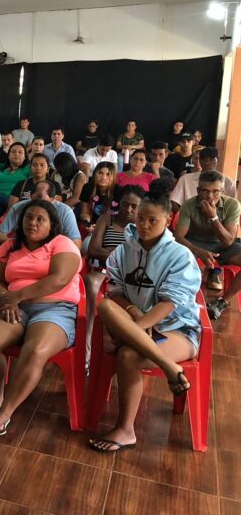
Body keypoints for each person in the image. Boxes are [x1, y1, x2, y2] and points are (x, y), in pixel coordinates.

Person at [89, 186, 200, 452]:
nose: (145, 225)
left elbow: (170, 302)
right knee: (104, 306)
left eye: (153, 221)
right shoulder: (123, 251)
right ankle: (170, 368)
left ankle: (126, 430)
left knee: (127, 355)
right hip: (138, 324)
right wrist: (136, 315)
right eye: (141, 218)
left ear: (167, 220)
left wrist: (138, 328)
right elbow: (115, 292)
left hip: (177, 330)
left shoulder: (180, 255)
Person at [0, 200, 82, 444]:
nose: (32, 223)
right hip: (17, 308)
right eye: (28, 218)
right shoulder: (9, 246)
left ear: (52, 225)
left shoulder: (62, 243)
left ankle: (3, 415)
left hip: (55, 308)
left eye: (40, 219)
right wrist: (6, 297)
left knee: (34, 349)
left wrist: (16, 295)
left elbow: (58, 279)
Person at [84, 185, 145, 366]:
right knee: (91, 282)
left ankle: (129, 341)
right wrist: (120, 256)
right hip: (106, 271)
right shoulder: (106, 219)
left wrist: (111, 252)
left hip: (132, 274)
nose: (128, 209)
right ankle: (87, 345)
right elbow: (94, 249)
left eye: (134, 206)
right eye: (125, 204)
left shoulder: (142, 226)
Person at [174, 170, 241, 293]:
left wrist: (213, 218)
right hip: (195, 243)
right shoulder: (188, 205)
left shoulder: (233, 205)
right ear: (199, 190)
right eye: (205, 191)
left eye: (216, 191)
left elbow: (228, 241)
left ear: (222, 191)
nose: (210, 196)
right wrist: (199, 251)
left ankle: (222, 303)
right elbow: (178, 237)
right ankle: (185, 295)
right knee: (177, 259)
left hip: (223, 245)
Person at [0, 181, 82, 248]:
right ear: (30, 197)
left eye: (43, 202)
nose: (39, 205)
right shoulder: (18, 208)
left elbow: (76, 243)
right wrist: (18, 245)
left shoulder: (65, 211)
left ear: (54, 199)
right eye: (35, 200)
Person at [171, 147, 235, 208]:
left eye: (211, 159)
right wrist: (186, 213)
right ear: (199, 160)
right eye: (204, 159)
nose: (207, 163)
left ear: (218, 160)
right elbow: (174, 202)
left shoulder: (228, 182)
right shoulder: (185, 179)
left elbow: (231, 205)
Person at [0, 142, 31, 210]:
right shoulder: (0, 166)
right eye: (13, 152)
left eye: (20, 152)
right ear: (8, 155)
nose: (16, 154)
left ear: (25, 157)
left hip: (12, 200)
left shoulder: (29, 169)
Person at [79, 162, 118, 227]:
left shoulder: (119, 191)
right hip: (94, 225)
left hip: (114, 226)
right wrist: (88, 224)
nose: (103, 177)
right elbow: (84, 213)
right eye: (100, 173)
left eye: (108, 174)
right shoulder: (87, 188)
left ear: (113, 177)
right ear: (95, 174)